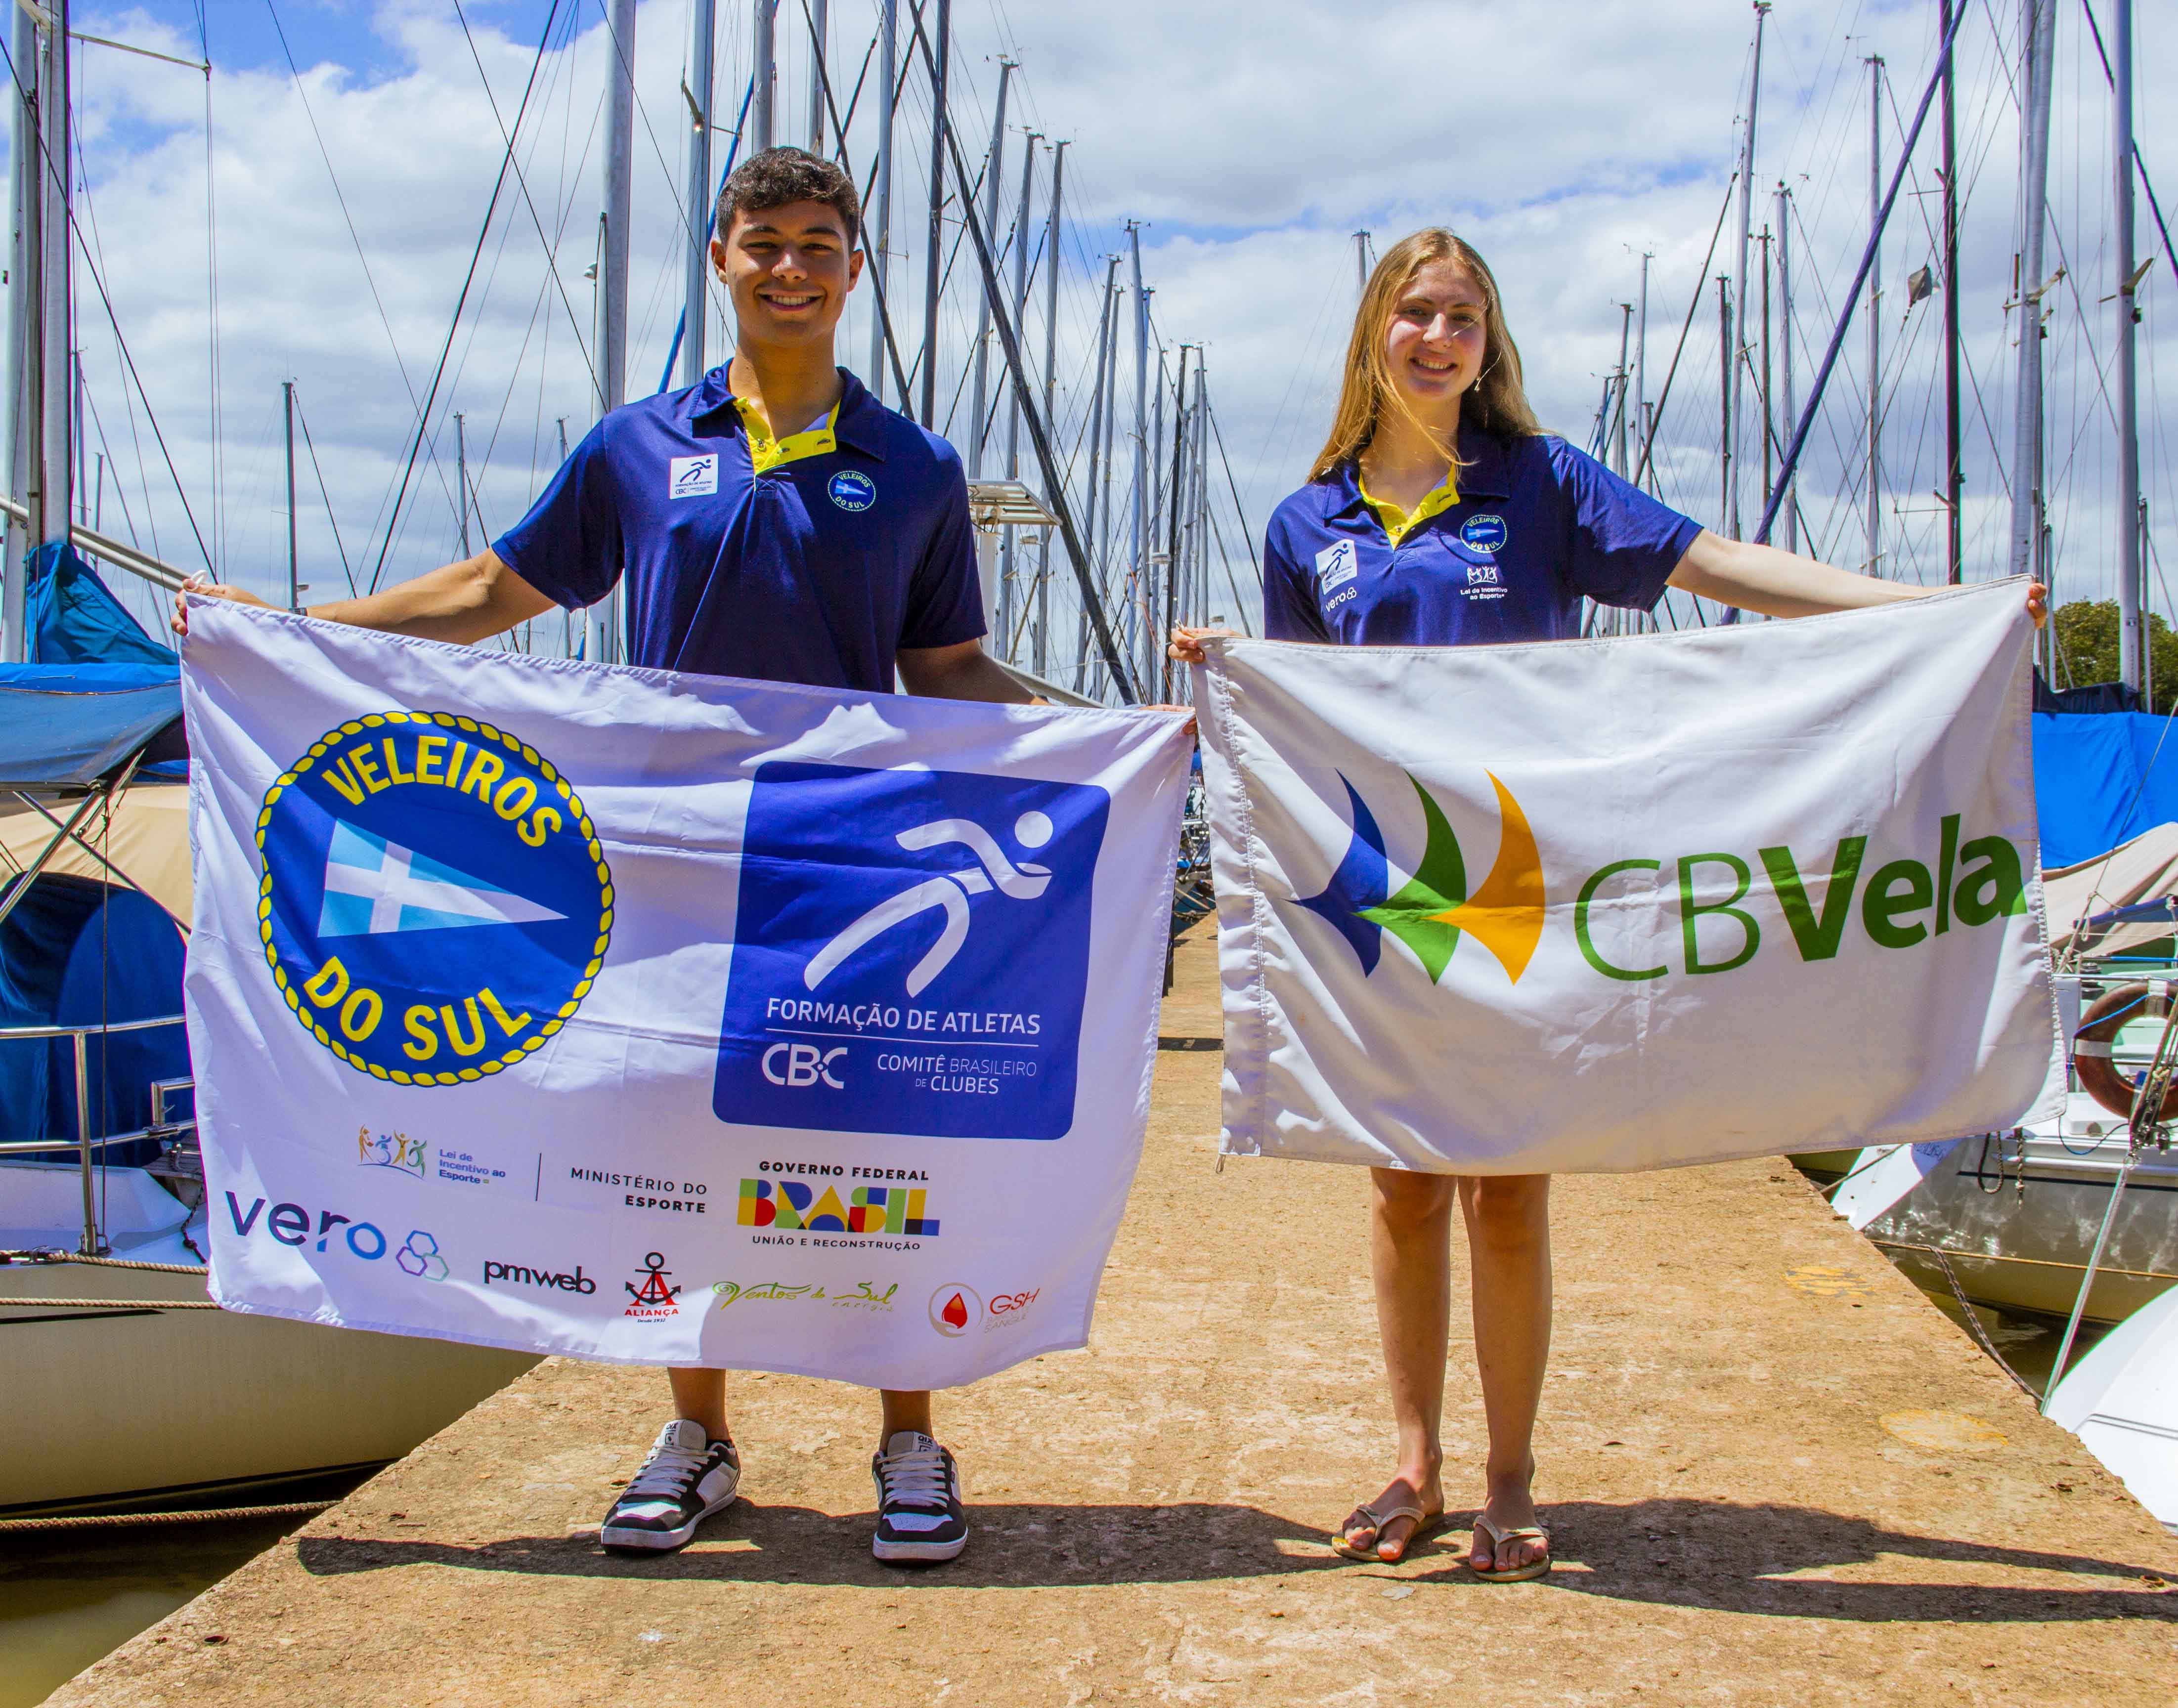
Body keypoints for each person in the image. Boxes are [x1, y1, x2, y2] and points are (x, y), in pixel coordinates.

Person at [175, 146, 1044, 1567]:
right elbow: (492, 592)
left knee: (877, 1154)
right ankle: (700, 1440)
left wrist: (1114, 740)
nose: (791, 267)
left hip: (846, 852)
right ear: (722, 259)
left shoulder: (915, 468)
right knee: (682, 1145)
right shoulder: (639, 443)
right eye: (764, 241)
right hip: (672, 854)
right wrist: (289, 628)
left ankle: (909, 1441)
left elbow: (945, 665)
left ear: (855, 269)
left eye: (820, 243)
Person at [1170, 226, 2045, 1583]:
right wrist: (1221, 670)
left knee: (1509, 1189)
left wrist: (1928, 613)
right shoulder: (1308, 520)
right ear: (1375, 334)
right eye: (1417, 315)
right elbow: (1294, 716)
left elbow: (1716, 567)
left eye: (1464, 317)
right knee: (1403, 1190)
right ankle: (1416, 1462)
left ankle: (1512, 1475)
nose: (1439, 339)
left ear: (1490, 342)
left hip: (1531, 879)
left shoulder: (1541, 483)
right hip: (1390, 896)